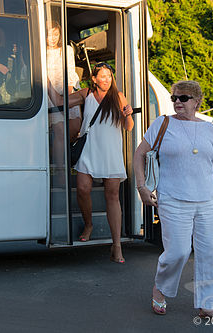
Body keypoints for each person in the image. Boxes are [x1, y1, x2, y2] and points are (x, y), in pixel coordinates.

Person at [133, 80, 213, 322]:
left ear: (197, 102)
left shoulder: (210, 130)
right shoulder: (162, 124)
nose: (177, 102)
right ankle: (161, 288)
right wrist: (141, 186)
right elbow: (139, 154)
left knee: (209, 254)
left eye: (183, 98)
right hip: (173, 199)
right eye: (175, 97)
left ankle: (208, 305)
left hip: (206, 201)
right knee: (178, 251)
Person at [48, 62, 134, 263]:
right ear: (94, 79)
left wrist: (128, 114)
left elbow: (128, 127)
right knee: (83, 188)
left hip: (111, 152)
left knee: (112, 195)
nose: (106, 79)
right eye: (102, 76)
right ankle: (89, 224)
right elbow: (60, 101)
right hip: (89, 149)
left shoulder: (118, 96)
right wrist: (47, 81)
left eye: (109, 76)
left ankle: (117, 246)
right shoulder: (86, 94)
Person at [46, 21, 81, 178]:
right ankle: (61, 173)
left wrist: (65, 98)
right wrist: (55, 98)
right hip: (48, 94)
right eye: (49, 34)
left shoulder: (66, 50)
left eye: (55, 34)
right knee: (60, 129)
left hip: (66, 92)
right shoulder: (40, 50)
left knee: (74, 130)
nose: (52, 38)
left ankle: (69, 164)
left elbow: (70, 72)